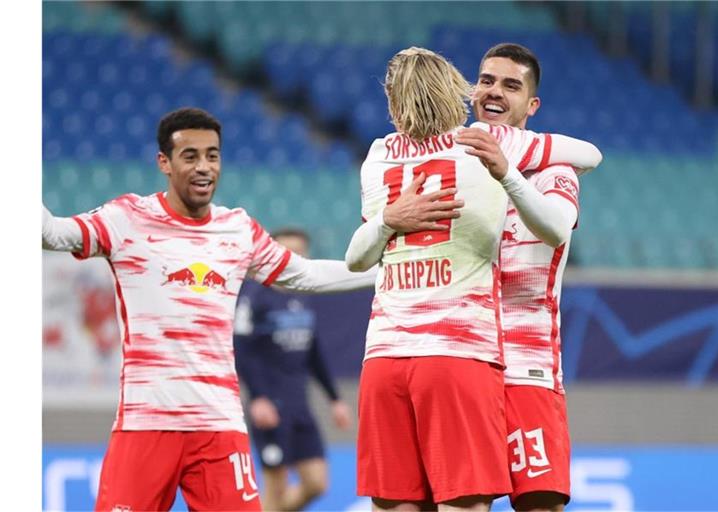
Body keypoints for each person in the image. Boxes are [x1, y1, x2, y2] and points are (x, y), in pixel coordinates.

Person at [41, 107, 376, 512]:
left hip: (219, 428)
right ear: (163, 162)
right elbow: (51, 233)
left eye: (212, 155)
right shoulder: (126, 220)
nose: (204, 167)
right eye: (190, 156)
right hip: (147, 424)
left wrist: (385, 271)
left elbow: (305, 274)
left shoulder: (237, 229)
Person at [344, 47, 601, 512]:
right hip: (461, 359)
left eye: (511, 85)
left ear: (532, 105)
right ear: (467, 89)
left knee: (536, 504)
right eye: (486, 81)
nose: (494, 92)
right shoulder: (459, 150)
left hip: (524, 364)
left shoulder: (553, 171)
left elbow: (558, 227)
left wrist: (509, 175)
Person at [233, 228, 353, 511]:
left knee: (316, 483)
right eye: (287, 252)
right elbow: (241, 349)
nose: (293, 259)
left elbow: (312, 351)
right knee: (276, 487)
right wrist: (258, 397)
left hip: (300, 405)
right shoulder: (253, 296)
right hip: (270, 404)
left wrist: (334, 398)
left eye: (299, 253)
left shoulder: (302, 296)